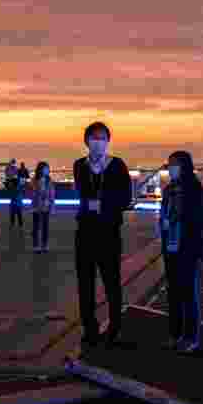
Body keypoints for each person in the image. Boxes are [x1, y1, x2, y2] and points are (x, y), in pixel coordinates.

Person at [73, 121, 133, 347]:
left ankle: (115, 327)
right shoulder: (79, 165)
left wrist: (103, 205)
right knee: (84, 282)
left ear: (108, 141)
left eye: (102, 138)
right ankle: (89, 328)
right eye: (94, 138)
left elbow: (125, 198)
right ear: (87, 141)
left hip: (109, 232)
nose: (98, 142)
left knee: (112, 282)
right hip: (85, 232)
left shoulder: (118, 165)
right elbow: (82, 189)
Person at [160, 151, 203, 354]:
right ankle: (175, 335)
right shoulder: (169, 190)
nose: (170, 168)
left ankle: (191, 337)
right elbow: (165, 213)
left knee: (189, 293)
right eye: (169, 164)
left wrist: (180, 223)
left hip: (188, 247)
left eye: (174, 164)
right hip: (171, 246)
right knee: (173, 292)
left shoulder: (195, 190)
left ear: (185, 166)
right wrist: (165, 224)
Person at [31, 161, 56, 253]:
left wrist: (52, 206)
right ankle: (36, 245)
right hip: (36, 206)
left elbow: (52, 194)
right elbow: (32, 193)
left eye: (47, 169)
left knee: (45, 227)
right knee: (36, 227)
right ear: (40, 170)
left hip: (46, 206)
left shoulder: (49, 180)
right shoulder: (34, 180)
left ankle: (44, 245)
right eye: (45, 169)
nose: (47, 170)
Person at [9, 161, 26, 228]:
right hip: (17, 200)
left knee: (14, 213)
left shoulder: (14, 182)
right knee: (18, 213)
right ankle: (19, 224)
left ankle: (13, 224)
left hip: (15, 200)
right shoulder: (19, 182)